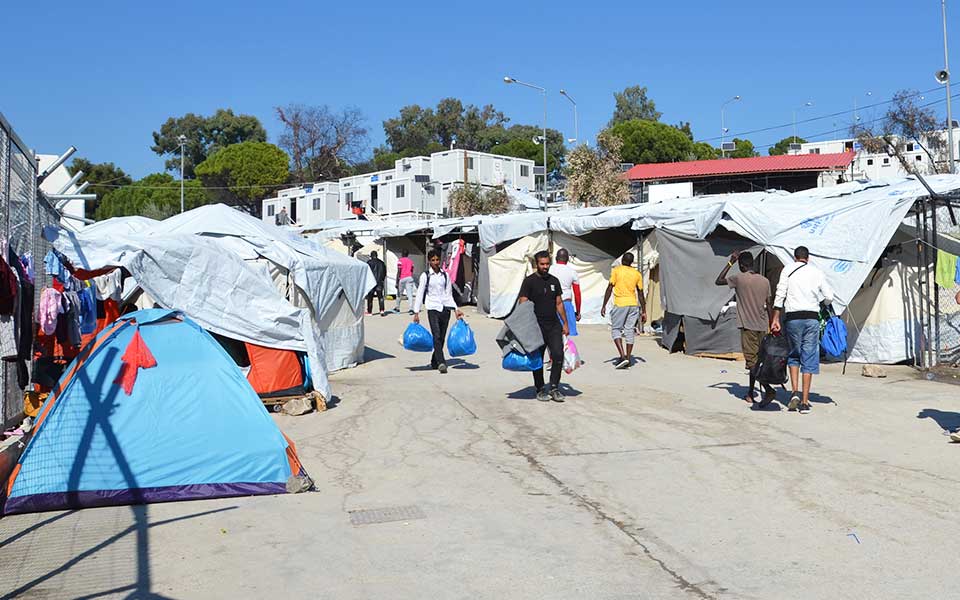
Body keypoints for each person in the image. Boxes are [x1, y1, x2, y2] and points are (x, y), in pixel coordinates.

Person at [771, 246, 834, 414]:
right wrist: (822, 304)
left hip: (792, 318)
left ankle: (794, 392)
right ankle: (805, 402)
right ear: (808, 258)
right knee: (809, 356)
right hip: (812, 318)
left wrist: (775, 318)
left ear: (794, 257)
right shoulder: (816, 272)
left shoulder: (788, 270)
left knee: (794, 355)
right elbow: (829, 296)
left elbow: (780, 294)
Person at [716, 250, 775, 406]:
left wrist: (730, 262)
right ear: (753, 264)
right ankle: (750, 392)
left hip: (747, 327)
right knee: (758, 361)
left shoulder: (739, 279)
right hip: (763, 326)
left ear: (741, 265)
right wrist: (772, 324)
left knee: (751, 362)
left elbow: (719, 280)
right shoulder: (765, 281)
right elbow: (769, 305)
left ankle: (768, 390)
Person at [519, 251, 570, 402]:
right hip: (536, 326)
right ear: (537, 264)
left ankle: (554, 387)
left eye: (547, 264)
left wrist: (565, 323)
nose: (545, 267)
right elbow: (523, 301)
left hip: (553, 325)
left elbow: (559, 303)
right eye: (542, 264)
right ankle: (540, 388)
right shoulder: (529, 281)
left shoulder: (554, 281)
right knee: (537, 359)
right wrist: (524, 324)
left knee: (558, 355)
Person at [413, 249, 463, 374]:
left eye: (437, 260)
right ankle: (441, 362)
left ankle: (434, 360)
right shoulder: (426, 276)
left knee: (442, 337)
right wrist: (416, 311)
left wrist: (456, 309)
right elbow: (420, 293)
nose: (435, 262)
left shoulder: (445, 275)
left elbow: (449, 294)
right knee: (436, 335)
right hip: (432, 308)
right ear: (429, 261)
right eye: (433, 260)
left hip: (445, 308)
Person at [601, 252, 646, 369]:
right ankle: (629, 357)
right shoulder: (637, 274)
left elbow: (610, 287)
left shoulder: (617, 270)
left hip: (620, 303)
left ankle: (622, 356)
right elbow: (640, 293)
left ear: (622, 260)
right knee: (629, 330)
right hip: (633, 304)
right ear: (631, 262)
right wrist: (644, 311)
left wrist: (604, 305)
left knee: (616, 329)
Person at [549, 248, 581, 337]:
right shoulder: (572, 272)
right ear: (567, 259)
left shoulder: (550, 270)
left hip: (551, 303)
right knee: (566, 335)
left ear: (556, 258)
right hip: (566, 305)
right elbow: (577, 293)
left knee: (551, 334)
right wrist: (578, 312)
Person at [366, 251, 387, 316]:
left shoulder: (369, 262)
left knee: (370, 297)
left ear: (371, 256)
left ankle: (369, 312)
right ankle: (382, 310)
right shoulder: (382, 263)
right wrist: (382, 279)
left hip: (371, 282)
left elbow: (366, 272)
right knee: (380, 297)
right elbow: (384, 272)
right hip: (379, 282)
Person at [395, 250, 416, 314]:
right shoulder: (411, 261)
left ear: (402, 254)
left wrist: (397, 281)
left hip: (402, 278)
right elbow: (412, 269)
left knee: (399, 293)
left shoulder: (400, 261)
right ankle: (411, 309)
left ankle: (397, 307)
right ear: (408, 254)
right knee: (409, 294)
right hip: (409, 277)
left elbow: (399, 271)